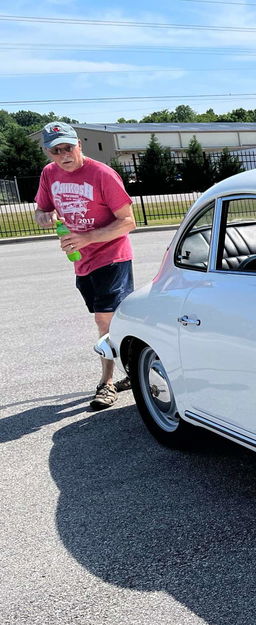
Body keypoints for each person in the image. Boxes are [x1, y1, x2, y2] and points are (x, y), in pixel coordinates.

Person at [34, 122, 137, 411]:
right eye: (57, 150)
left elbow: (128, 221)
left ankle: (106, 383)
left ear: (79, 145)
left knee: (103, 320)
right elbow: (41, 209)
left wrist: (87, 237)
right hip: (81, 261)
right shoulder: (49, 174)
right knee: (111, 319)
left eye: (68, 147)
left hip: (112, 255)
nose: (64, 154)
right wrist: (43, 216)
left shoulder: (102, 174)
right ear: (48, 152)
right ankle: (136, 367)